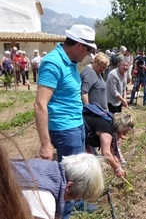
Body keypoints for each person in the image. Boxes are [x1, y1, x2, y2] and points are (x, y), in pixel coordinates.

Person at [34, 24, 97, 219]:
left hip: (75, 125)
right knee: (67, 176)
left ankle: (76, 203)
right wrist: (46, 144)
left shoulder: (70, 62)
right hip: (63, 129)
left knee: (76, 172)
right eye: (89, 50)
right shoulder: (53, 63)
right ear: (79, 45)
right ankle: (64, 213)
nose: (89, 55)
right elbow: (40, 104)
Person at [14, 153, 105, 219]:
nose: (76, 200)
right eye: (78, 196)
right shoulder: (45, 203)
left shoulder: (43, 166)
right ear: (69, 187)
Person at [83, 105, 135, 177]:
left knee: (91, 155)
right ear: (122, 127)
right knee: (87, 159)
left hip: (83, 134)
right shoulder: (107, 129)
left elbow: (111, 152)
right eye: (124, 133)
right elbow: (106, 154)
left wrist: (117, 163)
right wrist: (117, 169)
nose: (123, 136)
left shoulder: (110, 122)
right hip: (75, 131)